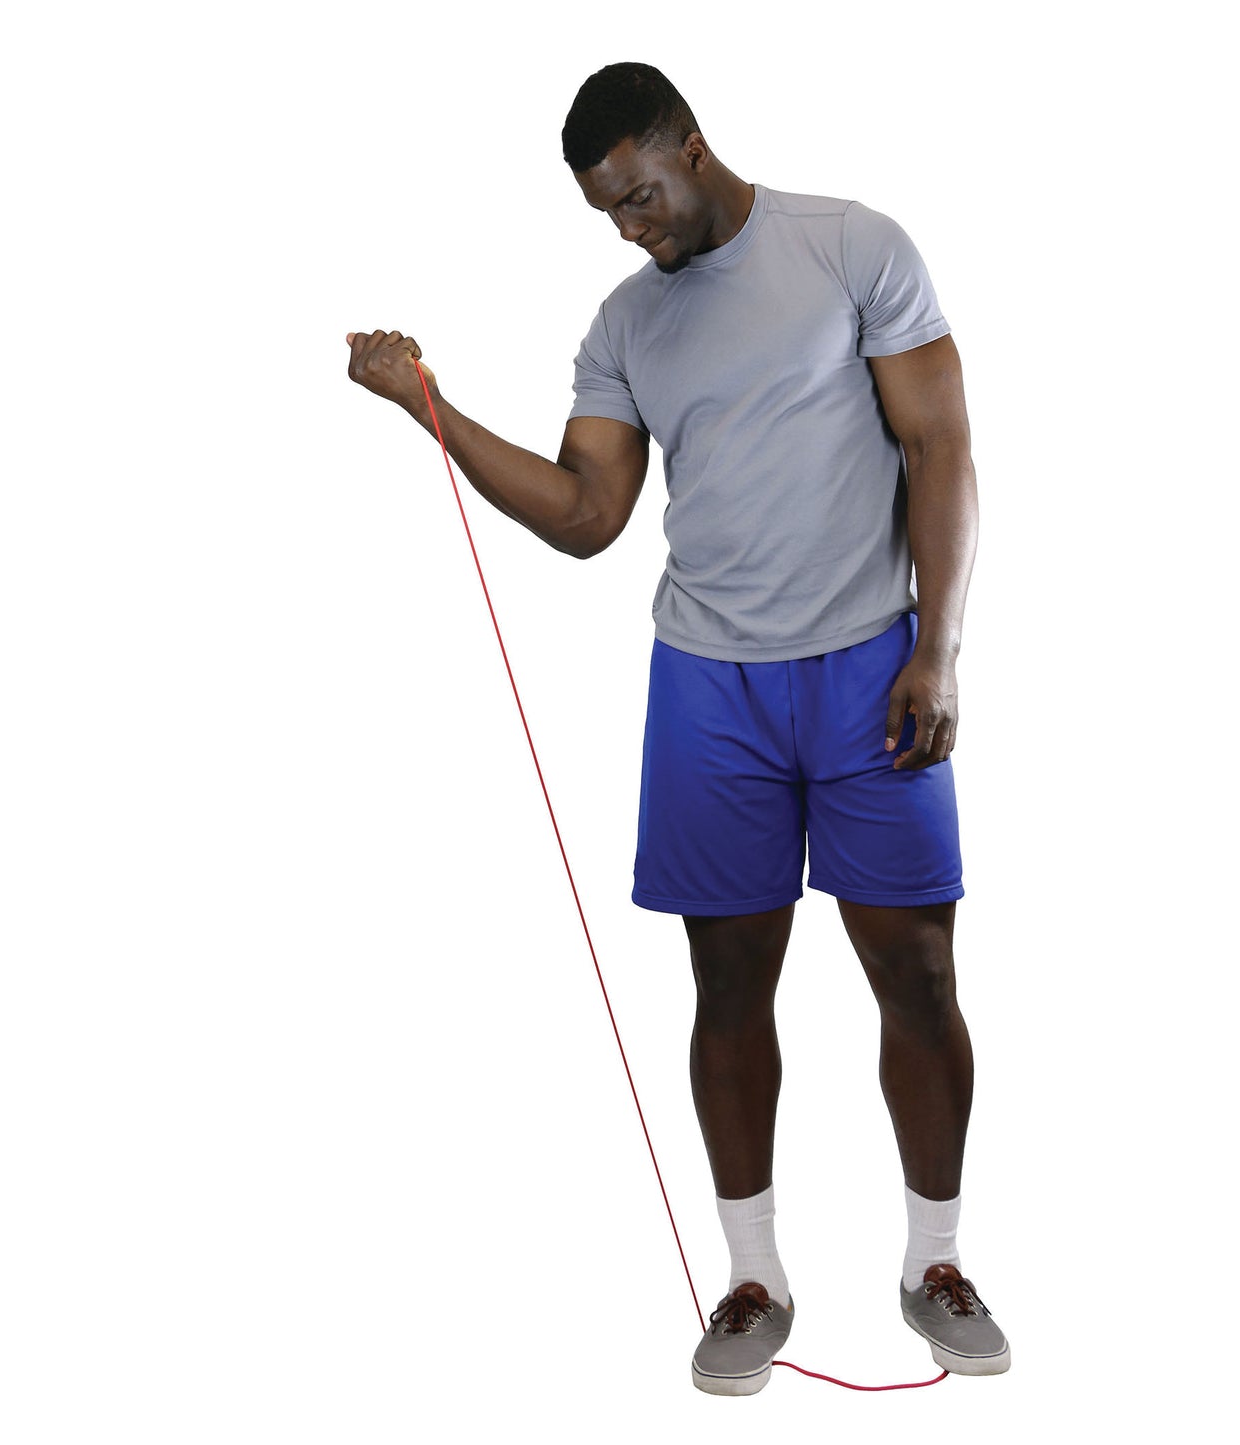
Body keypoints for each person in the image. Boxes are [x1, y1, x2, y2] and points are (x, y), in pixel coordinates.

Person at [345, 60, 1009, 1395]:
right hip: (710, 684)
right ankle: (753, 1278)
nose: (630, 227)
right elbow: (588, 515)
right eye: (605, 212)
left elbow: (941, 448)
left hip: (871, 662)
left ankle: (932, 1262)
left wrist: (934, 649)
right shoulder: (624, 326)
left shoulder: (850, 246)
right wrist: (433, 408)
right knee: (726, 985)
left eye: (639, 196)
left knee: (918, 971)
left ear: (689, 148)